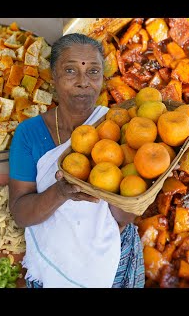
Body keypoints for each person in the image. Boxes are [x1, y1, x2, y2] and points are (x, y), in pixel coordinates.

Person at [8, 33, 145, 288]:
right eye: (70, 70)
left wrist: (139, 187)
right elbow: (21, 215)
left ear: (102, 79)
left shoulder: (121, 126)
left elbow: (122, 217)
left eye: (93, 72)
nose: (83, 82)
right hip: (52, 264)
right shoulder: (29, 134)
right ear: (53, 77)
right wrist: (61, 192)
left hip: (115, 257)